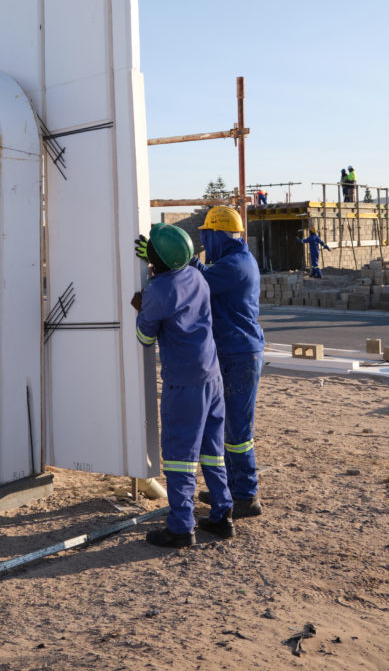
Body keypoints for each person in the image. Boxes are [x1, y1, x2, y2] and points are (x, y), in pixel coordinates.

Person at [131, 223, 235, 548]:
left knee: (179, 455)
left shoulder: (159, 293)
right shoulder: (196, 276)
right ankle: (222, 515)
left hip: (184, 384)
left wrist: (143, 305)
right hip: (211, 377)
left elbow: (144, 337)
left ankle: (181, 527)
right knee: (212, 451)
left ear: (156, 261)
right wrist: (157, 261)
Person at [191, 206, 265, 518]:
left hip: (240, 356)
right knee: (228, 427)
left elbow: (199, 281)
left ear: (218, 235)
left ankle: (246, 497)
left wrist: (174, 256)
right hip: (234, 353)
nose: (206, 246)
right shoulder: (235, 259)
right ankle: (234, 489)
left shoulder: (234, 265)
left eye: (207, 238)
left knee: (237, 431)